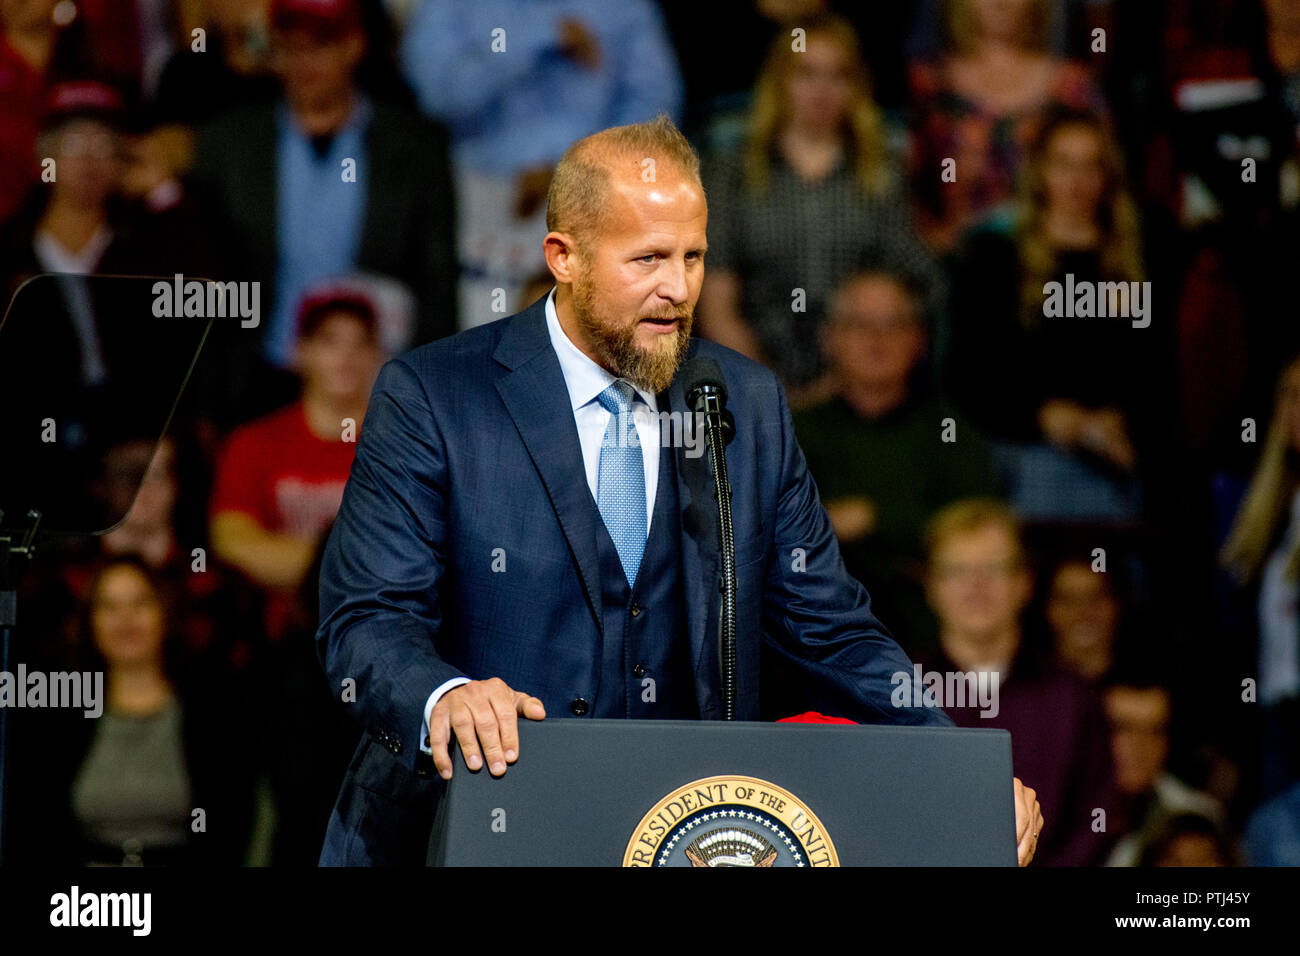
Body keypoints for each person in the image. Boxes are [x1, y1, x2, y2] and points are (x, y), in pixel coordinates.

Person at [315, 115, 1043, 866]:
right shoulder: (436, 396)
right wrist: (445, 697)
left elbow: (831, 628)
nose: (677, 289)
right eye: (648, 260)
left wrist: (959, 769)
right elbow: (366, 619)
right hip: (466, 828)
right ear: (564, 257)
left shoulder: (745, 404)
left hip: (670, 833)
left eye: (694, 258)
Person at [192, 0, 456, 418]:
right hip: (259, 379)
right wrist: (206, 402)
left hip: (378, 382)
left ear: (354, 46)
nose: (303, 62)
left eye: (319, 46)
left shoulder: (413, 146)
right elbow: (205, 279)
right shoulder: (230, 144)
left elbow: (436, 282)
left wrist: (429, 395)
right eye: (289, 47)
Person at [698, 12, 941, 402]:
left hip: (863, 389)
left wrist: (848, 383)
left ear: (855, 86)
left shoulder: (883, 174)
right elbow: (717, 306)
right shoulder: (731, 173)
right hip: (749, 387)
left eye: (837, 75)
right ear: (781, 81)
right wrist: (774, 393)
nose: (821, 90)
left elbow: (912, 290)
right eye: (806, 73)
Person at [792, 268, 1000, 658]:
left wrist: (869, 519)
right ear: (829, 338)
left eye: (894, 324)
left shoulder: (951, 433)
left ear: (919, 340)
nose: (877, 339)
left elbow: (979, 530)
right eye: (859, 325)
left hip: (937, 641)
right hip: (818, 634)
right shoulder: (794, 433)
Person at [920, 497, 1110, 865]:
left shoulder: (1074, 697)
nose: (976, 586)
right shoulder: (894, 692)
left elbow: (1093, 819)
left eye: (992, 569)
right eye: (958, 570)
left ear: (1024, 582)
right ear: (932, 585)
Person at [210, 285, 386, 645]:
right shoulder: (254, 442)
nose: (345, 357)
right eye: (329, 341)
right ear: (299, 351)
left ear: (378, 356)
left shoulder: (406, 446)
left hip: (380, 640)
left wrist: (292, 559)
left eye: (359, 344)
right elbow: (232, 543)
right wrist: (354, 564)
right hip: (271, 643)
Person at [1101, 675, 1223, 867]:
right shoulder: (1051, 812)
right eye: (1123, 729)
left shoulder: (1199, 821)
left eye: (1154, 731)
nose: (1139, 746)